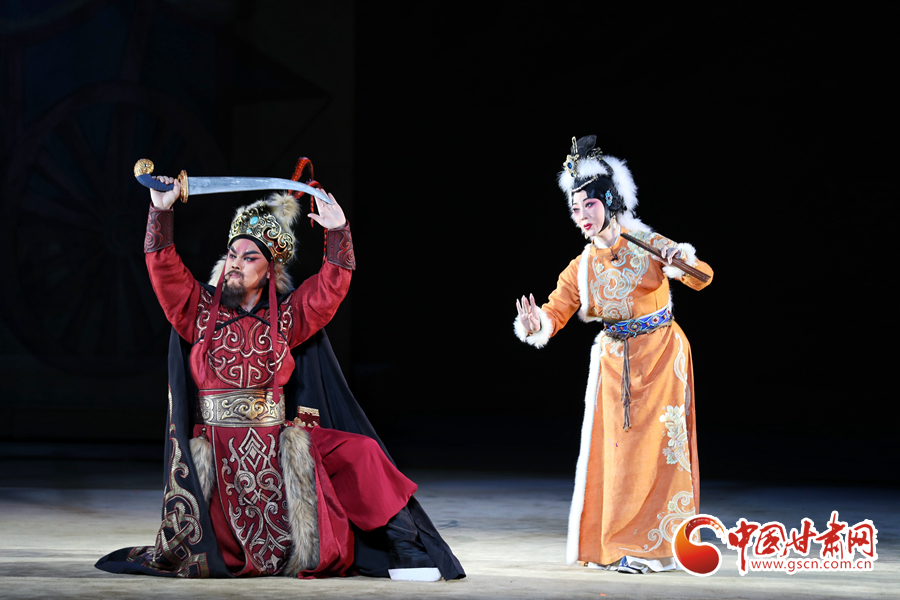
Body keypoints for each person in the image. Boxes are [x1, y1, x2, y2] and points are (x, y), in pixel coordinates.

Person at [95, 164, 464, 581]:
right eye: (232, 255)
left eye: (249, 257)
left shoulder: (287, 317)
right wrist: (160, 211)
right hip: (219, 451)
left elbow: (330, 288)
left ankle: (405, 547)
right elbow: (163, 269)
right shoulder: (197, 310)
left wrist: (338, 231)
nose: (235, 264)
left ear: (269, 269)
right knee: (218, 552)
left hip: (277, 444)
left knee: (362, 452)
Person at [514, 136, 713, 574]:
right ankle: (617, 545)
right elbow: (555, 312)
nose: (582, 216)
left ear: (608, 201)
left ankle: (653, 548)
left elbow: (703, 277)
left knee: (658, 453)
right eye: (574, 209)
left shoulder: (646, 242)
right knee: (618, 456)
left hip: (661, 358)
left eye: (588, 204)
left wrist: (678, 259)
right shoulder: (581, 267)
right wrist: (534, 324)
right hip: (613, 367)